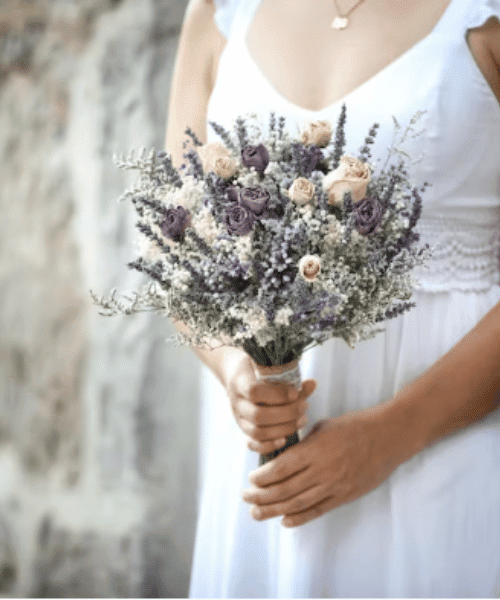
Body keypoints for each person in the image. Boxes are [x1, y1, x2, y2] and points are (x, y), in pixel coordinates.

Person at [165, 0, 500, 596]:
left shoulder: (482, 19)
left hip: (449, 447)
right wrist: (237, 369)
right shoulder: (221, 13)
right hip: (268, 468)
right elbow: (181, 250)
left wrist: (392, 436)